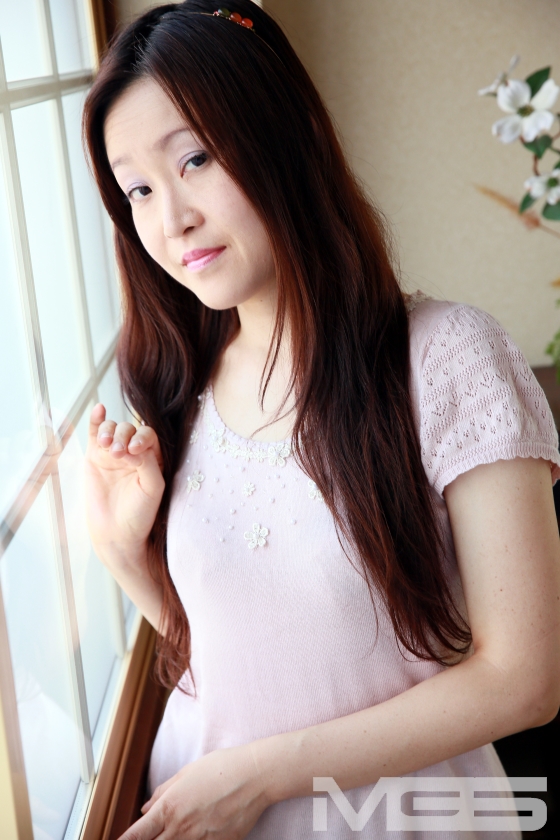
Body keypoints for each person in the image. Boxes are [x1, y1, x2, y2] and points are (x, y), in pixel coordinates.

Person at [82, 2, 560, 838]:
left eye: (195, 158)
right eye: (139, 190)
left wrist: (256, 779)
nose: (171, 217)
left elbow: (524, 680)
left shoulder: (447, 357)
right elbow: (237, 660)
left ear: (287, 137)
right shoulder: (179, 384)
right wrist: (126, 555)